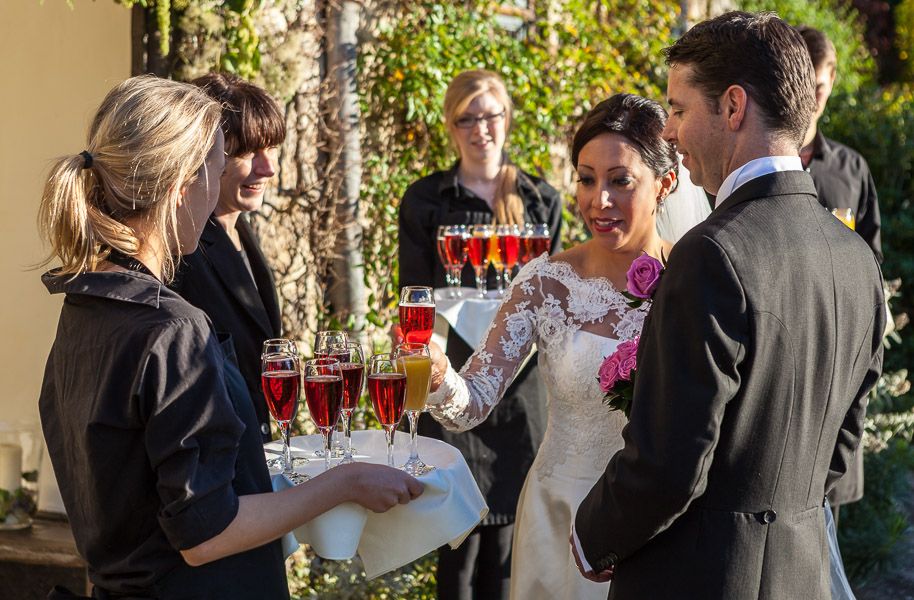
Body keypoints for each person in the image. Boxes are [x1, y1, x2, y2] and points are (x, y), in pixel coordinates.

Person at [37, 75, 422, 599]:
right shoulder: (171, 328)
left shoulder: (85, 305)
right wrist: (346, 481)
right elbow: (205, 531)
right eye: (218, 166)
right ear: (180, 186)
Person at [572, 12, 885, 600]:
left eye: (679, 109)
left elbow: (669, 464)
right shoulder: (856, 259)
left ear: (734, 107)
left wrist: (593, 536)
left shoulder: (711, 253)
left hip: (700, 579)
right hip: (802, 575)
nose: (668, 132)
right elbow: (842, 446)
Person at [423, 92, 678, 600]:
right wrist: (436, 377)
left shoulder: (693, 280)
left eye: (620, 181)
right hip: (555, 515)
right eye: (586, 179)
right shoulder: (545, 282)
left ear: (664, 184)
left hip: (658, 526)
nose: (597, 201)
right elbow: (472, 402)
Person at [398, 69, 562, 600]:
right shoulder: (426, 201)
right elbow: (415, 303)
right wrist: (429, 380)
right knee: (459, 548)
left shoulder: (541, 202)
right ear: (451, 126)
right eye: (466, 118)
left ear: (505, 119)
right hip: (454, 387)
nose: (480, 129)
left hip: (522, 393)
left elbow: (553, 301)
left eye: (489, 115)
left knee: (513, 547)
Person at [171, 73, 284, 443]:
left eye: (273, 149)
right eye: (249, 153)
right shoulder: (182, 250)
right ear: (207, 153)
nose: (268, 169)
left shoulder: (244, 230)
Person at [797, 25, 883, 264]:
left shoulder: (854, 169)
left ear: (832, 80)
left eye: (818, 89)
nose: (808, 101)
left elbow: (871, 259)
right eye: (802, 89)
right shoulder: (762, 164)